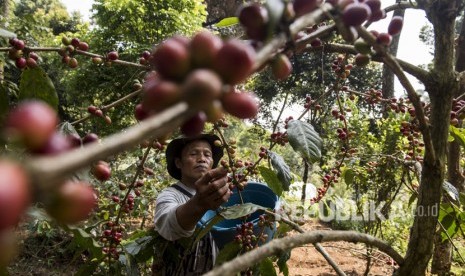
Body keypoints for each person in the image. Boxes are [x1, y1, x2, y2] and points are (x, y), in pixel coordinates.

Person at [153, 133, 231, 275]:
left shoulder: (221, 195)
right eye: (193, 154)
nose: (201, 159)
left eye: (207, 155)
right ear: (178, 163)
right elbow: (169, 225)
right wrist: (198, 204)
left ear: (212, 162)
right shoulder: (169, 195)